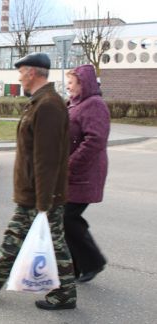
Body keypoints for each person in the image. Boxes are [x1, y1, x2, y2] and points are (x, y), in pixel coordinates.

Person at [0, 53, 77, 310]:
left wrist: (44, 201)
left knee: (53, 242)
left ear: (33, 73)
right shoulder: (40, 102)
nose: (20, 77)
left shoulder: (48, 105)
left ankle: (65, 293)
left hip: (41, 194)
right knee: (16, 235)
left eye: (22, 72)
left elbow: (47, 158)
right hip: (33, 191)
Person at [64, 64, 109, 283]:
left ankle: (93, 261)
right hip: (72, 174)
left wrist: (70, 164)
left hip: (85, 173)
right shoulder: (75, 103)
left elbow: (95, 141)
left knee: (68, 217)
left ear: (84, 83)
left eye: (71, 82)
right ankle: (76, 266)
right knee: (67, 219)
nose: (68, 86)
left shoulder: (94, 105)